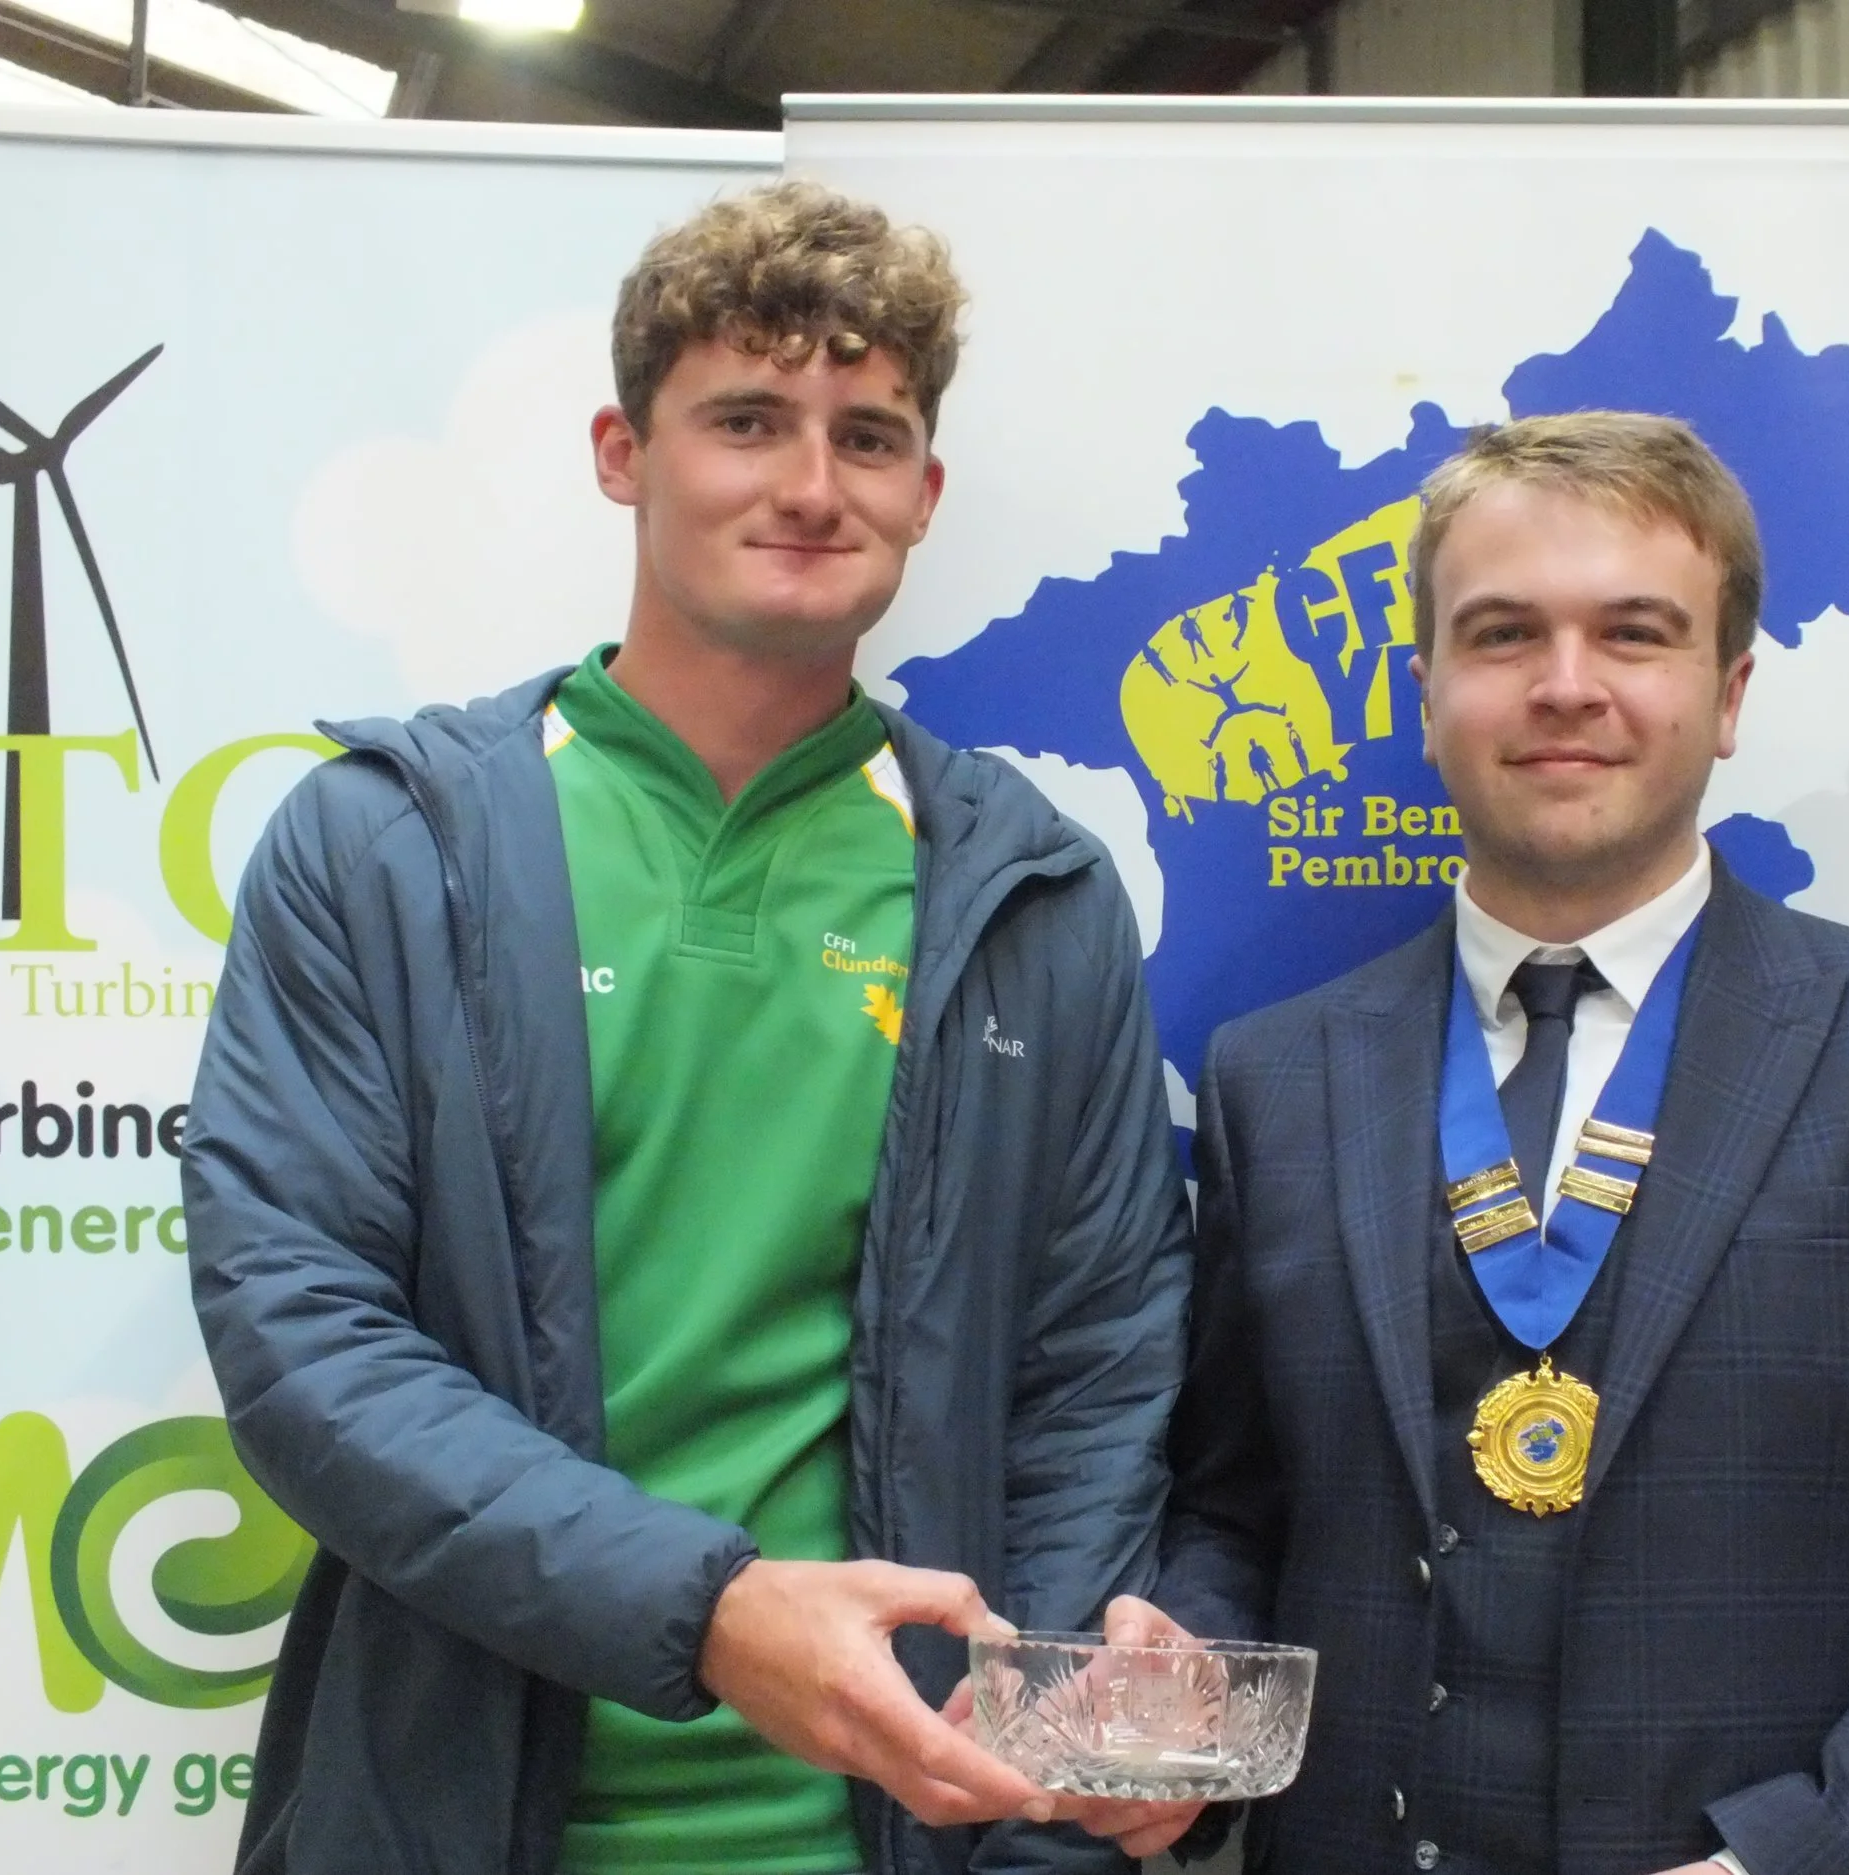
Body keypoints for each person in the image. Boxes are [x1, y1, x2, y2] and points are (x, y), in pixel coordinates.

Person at [184, 180, 1191, 1875]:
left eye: (867, 438)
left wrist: (1045, 1802)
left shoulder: (1031, 891)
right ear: (619, 451)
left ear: (926, 494)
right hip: (454, 1822)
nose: (810, 485)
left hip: (896, 1838)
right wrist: (708, 1611)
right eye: (746, 419)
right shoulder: (383, 846)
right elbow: (304, 1339)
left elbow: (1097, 1367)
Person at [1124, 412, 1849, 1874]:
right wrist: (1187, 1709)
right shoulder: (1274, 1075)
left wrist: (1796, 1863)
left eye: (1634, 633)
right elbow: (1236, 1503)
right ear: (1424, 694)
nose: (1566, 687)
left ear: (1728, 690)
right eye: (1502, 634)